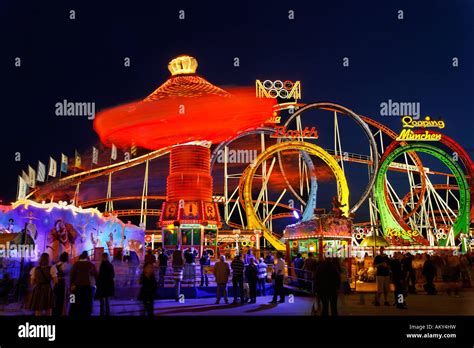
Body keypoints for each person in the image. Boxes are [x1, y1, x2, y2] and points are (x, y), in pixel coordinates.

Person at [69, 251, 97, 316]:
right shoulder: (90, 264)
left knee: (75, 302)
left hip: (77, 287)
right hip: (87, 286)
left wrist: (71, 285)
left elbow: (72, 275)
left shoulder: (75, 264)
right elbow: (95, 274)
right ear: (87, 256)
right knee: (86, 303)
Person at [52, 252, 70, 316]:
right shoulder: (67, 265)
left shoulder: (55, 265)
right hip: (64, 283)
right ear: (66, 258)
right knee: (64, 299)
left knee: (56, 298)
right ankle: (63, 312)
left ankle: (55, 312)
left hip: (56, 284)